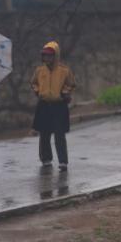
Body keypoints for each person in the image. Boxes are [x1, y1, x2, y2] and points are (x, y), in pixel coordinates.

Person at [30, 41, 77, 172]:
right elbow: (33, 83)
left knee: (59, 134)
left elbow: (71, 84)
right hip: (44, 105)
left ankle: (62, 161)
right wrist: (38, 91)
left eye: (50, 55)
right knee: (44, 134)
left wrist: (65, 92)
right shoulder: (39, 70)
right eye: (45, 55)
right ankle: (46, 158)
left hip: (59, 105)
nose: (47, 58)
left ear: (55, 56)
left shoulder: (64, 70)